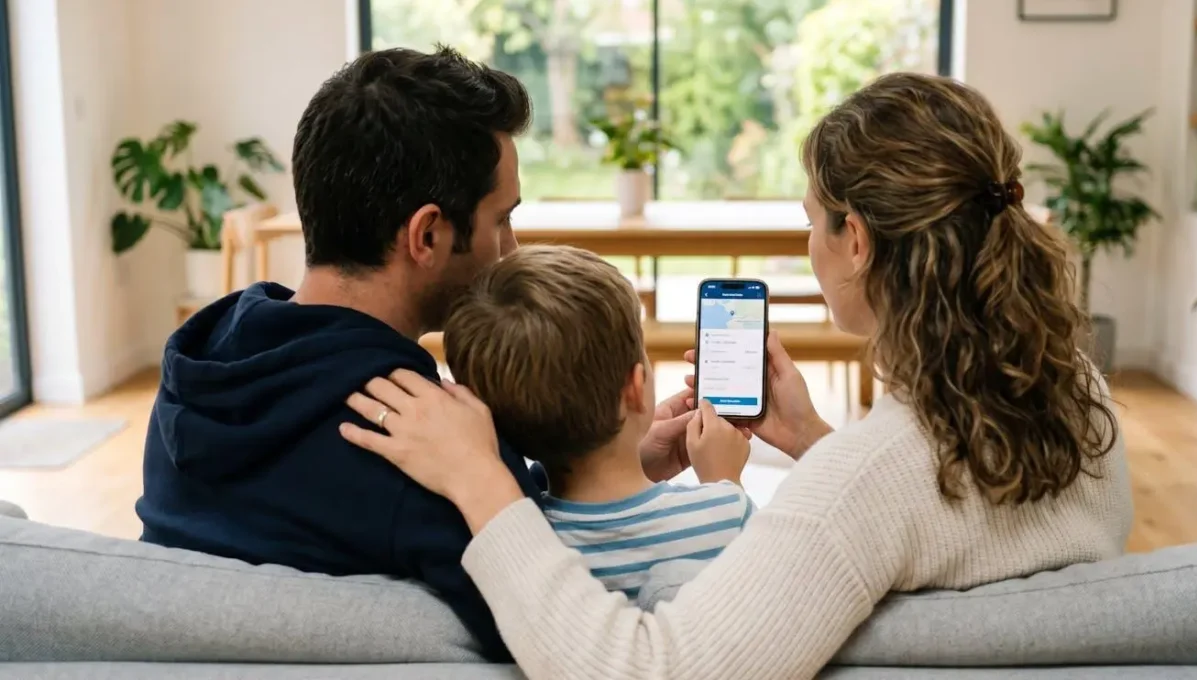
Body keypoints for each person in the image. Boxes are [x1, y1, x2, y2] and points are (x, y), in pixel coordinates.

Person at [340, 72, 1133, 679]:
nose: (813, 249)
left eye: (811, 224)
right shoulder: (1079, 397)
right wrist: (818, 440)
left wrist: (483, 481)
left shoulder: (867, 483)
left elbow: (645, 669)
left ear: (855, 239)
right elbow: (943, 520)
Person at [133, 45, 700, 662]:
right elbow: (565, 621)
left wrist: (612, 460)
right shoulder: (415, 433)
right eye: (501, 221)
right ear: (428, 235)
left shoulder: (206, 360)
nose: (511, 250)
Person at [441, 245, 755, 602]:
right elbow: (751, 595)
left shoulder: (515, 540)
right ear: (636, 389)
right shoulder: (723, 514)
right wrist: (725, 484)